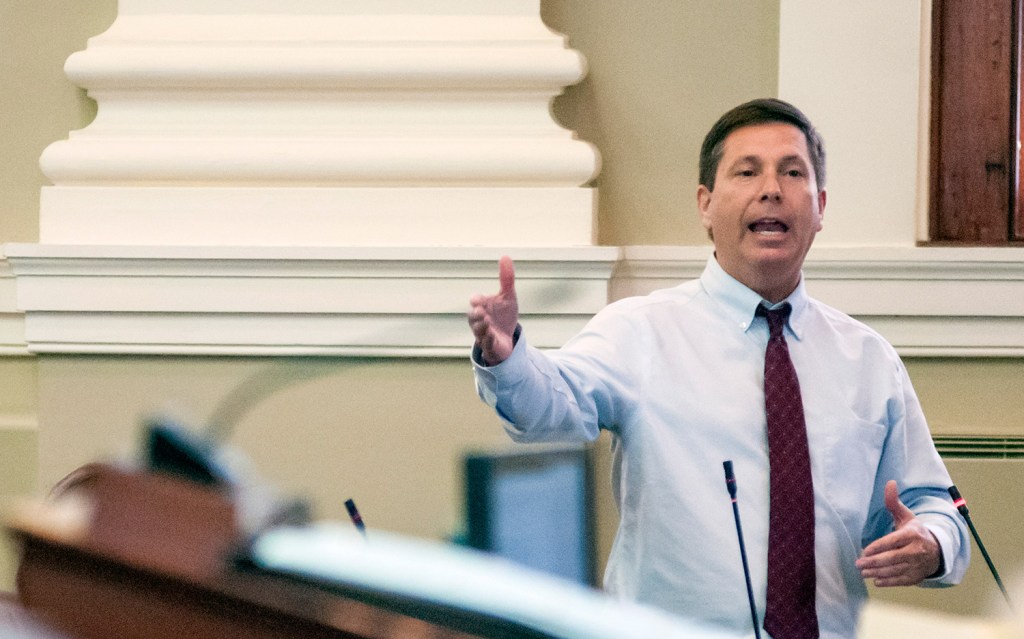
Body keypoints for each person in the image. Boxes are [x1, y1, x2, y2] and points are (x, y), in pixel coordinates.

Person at [466, 98, 969, 638]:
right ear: (706, 203)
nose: (771, 188)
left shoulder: (869, 359)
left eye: (792, 172)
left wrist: (934, 543)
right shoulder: (640, 331)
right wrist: (508, 355)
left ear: (820, 206)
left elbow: (933, 504)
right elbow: (550, 411)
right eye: (747, 171)